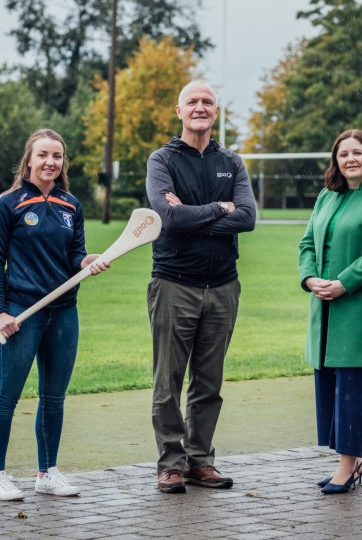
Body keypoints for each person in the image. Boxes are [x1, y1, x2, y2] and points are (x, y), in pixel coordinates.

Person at [0, 128, 109, 501]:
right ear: (29, 159)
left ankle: (46, 472)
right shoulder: (7, 204)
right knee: (6, 396)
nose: (50, 162)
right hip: (23, 313)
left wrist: (88, 261)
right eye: (43, 155)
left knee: (54, 398)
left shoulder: (72, 204)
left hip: (64, 313)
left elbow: (75, 256)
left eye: (57, 156)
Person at [145, 80, 256, 494]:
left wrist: (194, 214)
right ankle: (171, 463)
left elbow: (247, 218)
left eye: (207, 101)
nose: (200, 107)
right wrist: (218, 208)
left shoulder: (232, 162)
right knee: (168, 382)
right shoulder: (162, 160)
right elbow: (167, 219)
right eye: (192, 101)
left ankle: (200, 461)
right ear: (179, 110)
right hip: (175, 283)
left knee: (209, 382)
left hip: (224, 285)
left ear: (216, 111)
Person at [298, 129, 362, 495]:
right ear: (336, 161)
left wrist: (343, 282)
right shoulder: (327, 196)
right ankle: (350, 462)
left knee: (352, 386)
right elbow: (308, 242)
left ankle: (347, 467)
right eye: (343, 154)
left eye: (358, 152)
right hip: (324, 305)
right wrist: (310, 277)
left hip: (359, 306)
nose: (350, 160)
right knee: (329, 383)